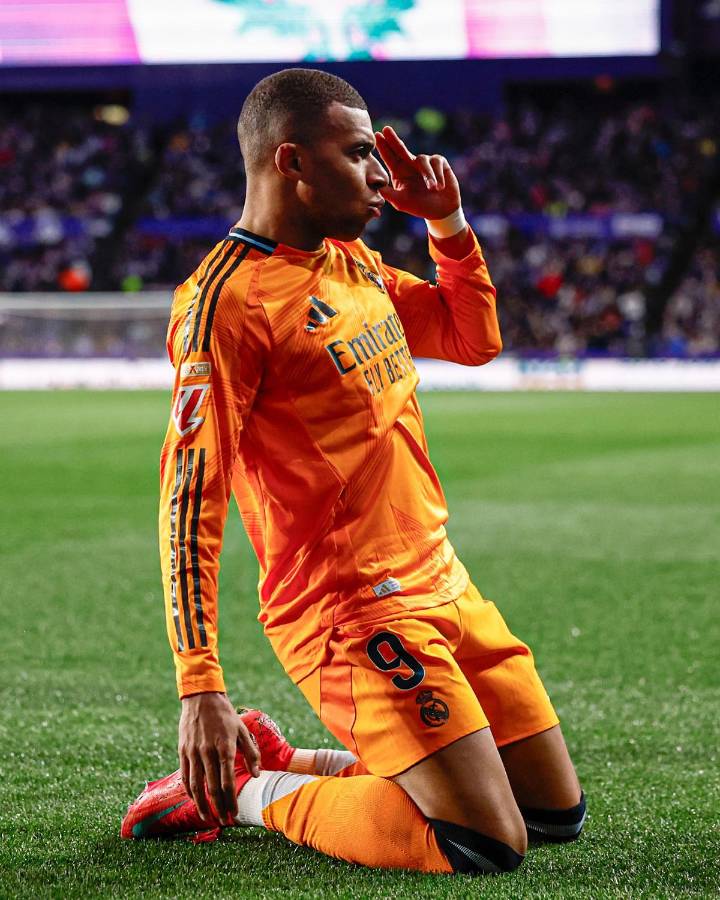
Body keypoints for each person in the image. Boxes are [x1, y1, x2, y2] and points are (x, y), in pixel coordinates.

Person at [122, 68, 585, 875]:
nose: (382, 174)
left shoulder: (353, 264)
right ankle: (243, 795)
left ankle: (277, 761)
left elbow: (470, 337)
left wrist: (446, 224)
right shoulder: (225, 304)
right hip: (349, 611)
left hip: (443, 583)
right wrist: (201, 684)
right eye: (361, 154)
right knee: (481, 842)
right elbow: (188, 497)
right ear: (292, 162)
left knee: (552, 815)